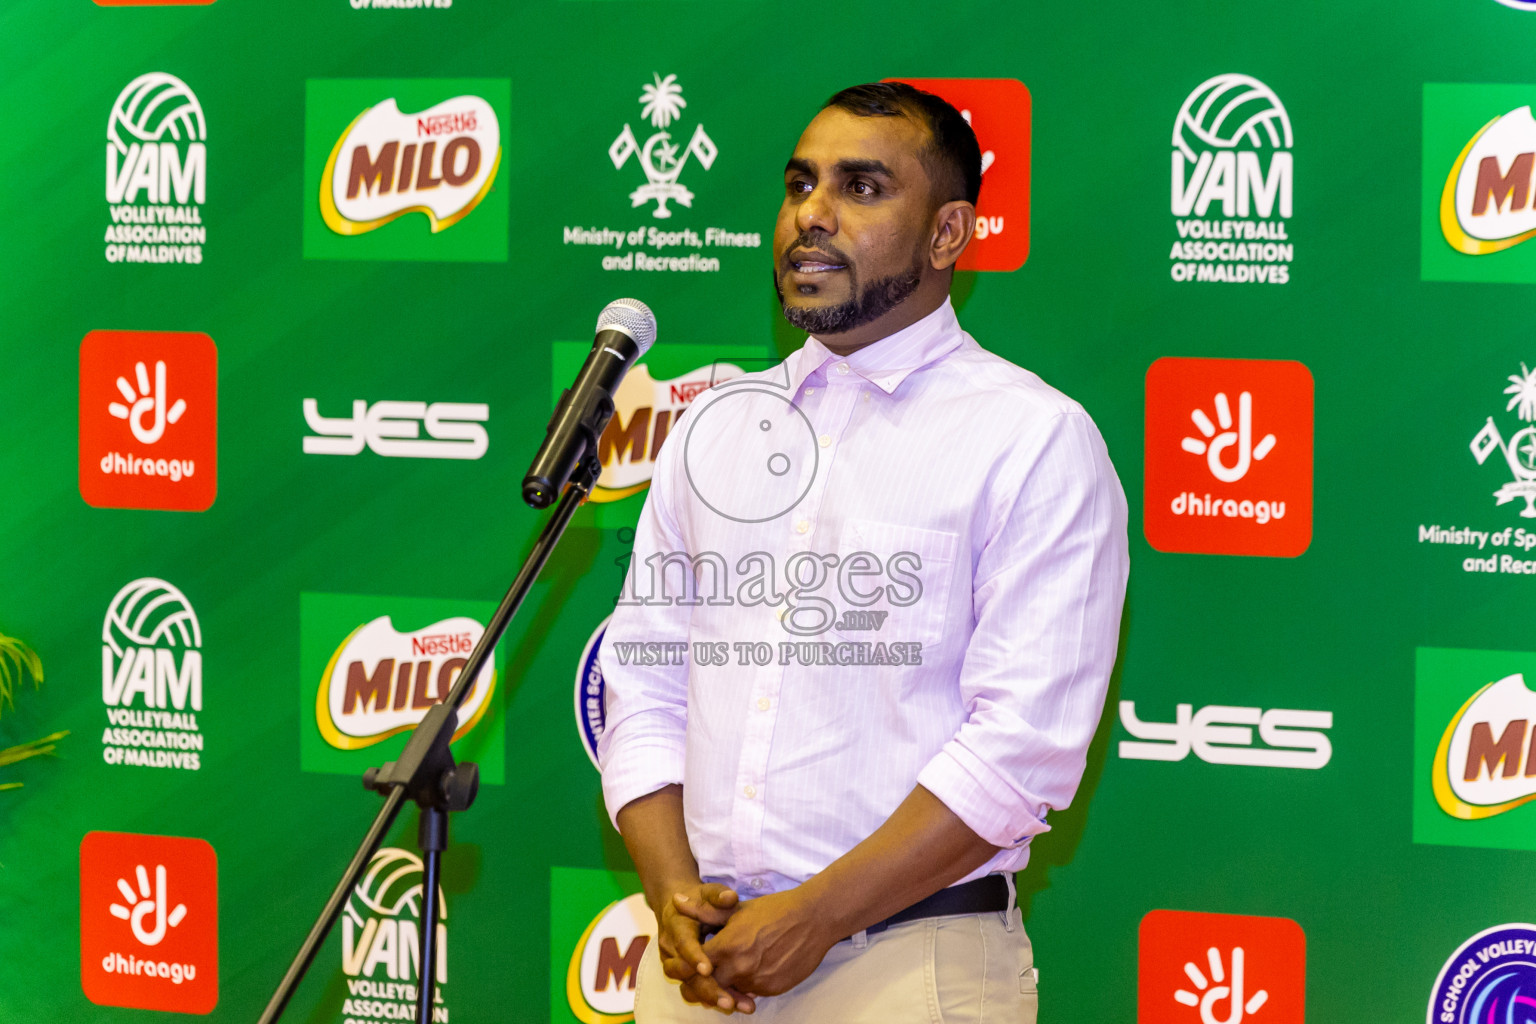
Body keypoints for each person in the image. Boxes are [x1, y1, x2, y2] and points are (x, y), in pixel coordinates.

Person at [597, 81, 1128, 1023]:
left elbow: (1020, 753)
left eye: (862, 187)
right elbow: (642, 683)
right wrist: (674, 895)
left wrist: (819, 913)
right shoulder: (713, 431)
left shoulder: (1032, 439)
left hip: (907, 966)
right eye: (800, 184)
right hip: (695, 964)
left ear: (947, 235)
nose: (812, 215)